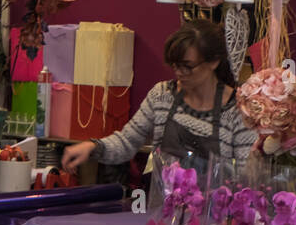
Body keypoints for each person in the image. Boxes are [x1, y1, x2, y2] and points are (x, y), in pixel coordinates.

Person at [60, 18, 257, 176]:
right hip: (164, 211)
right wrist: (93, 147)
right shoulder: (162, 96)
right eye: (174, 65)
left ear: (214, 62)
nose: (178, 73)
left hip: (213, 218)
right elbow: (127, 142)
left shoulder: (238, 110)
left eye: (187, 66)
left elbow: (245, 177)